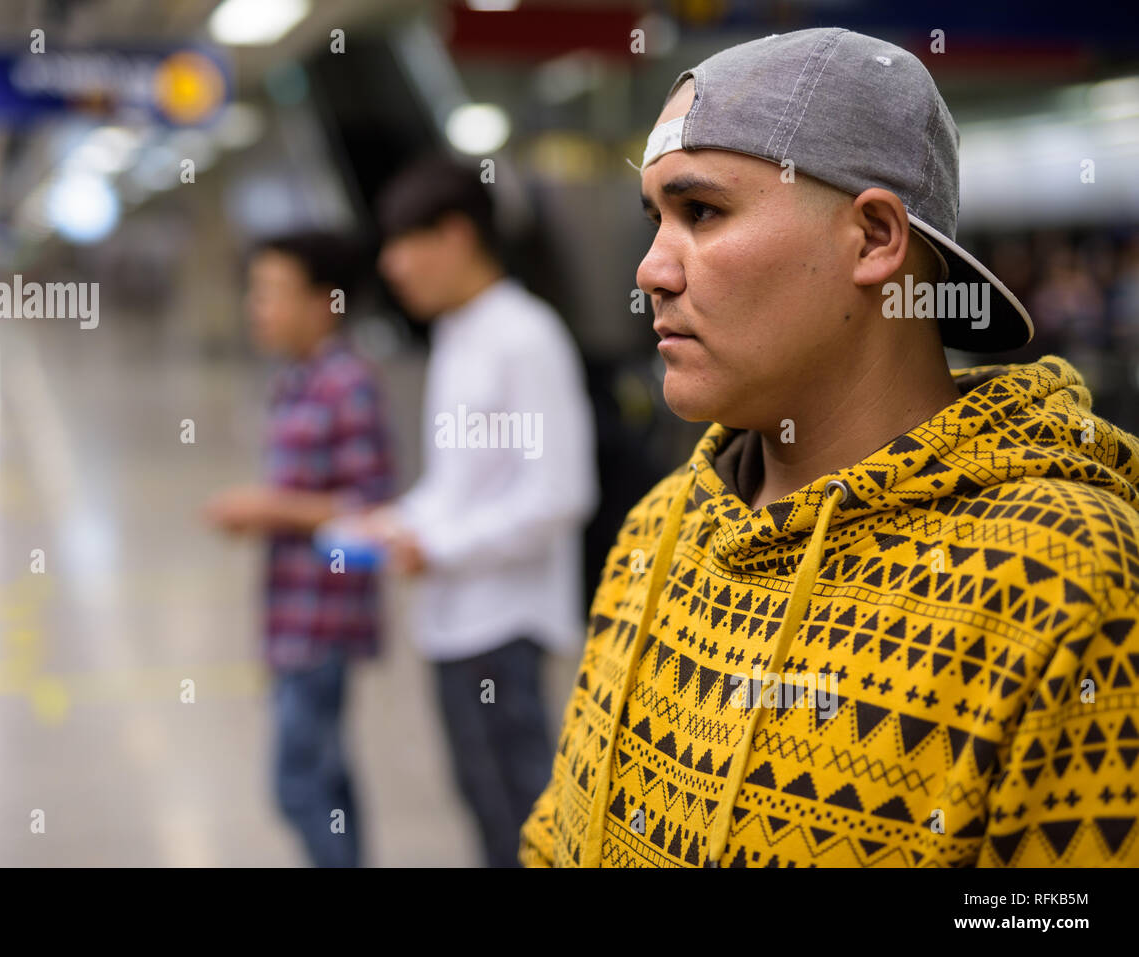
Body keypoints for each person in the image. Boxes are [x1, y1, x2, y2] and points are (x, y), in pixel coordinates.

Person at [521, 27, 1139, 868]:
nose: (651, 270)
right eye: (655, 217)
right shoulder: (658, 532)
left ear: (877, 238)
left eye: (701, 211)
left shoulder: (1070, 578)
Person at [371, 154, 598, 867]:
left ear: (457, 236)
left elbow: (560, 492)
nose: (393, 265)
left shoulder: (524, 337)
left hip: (504, 621)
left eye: (406, 243)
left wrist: (439, 547)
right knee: (482, 802)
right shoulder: (457, 334)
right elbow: (458, 481)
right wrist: (396, 520)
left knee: (522, 815)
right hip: (451, 620)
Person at [203, 231, 393, 867]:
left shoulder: (347, 385)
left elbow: (370, 509)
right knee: (327, 776)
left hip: (324, 619)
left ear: (325, 303)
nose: (258, 307)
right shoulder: (294, 381)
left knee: (298, 783)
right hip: (291, 612)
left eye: (272, 293)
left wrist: (266, 509)